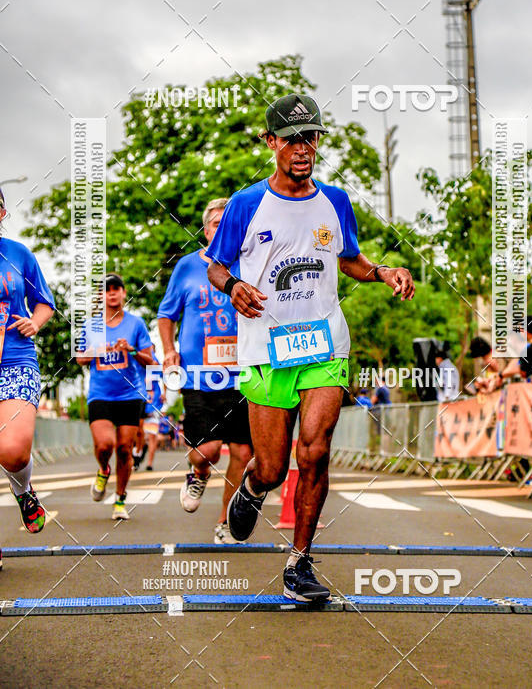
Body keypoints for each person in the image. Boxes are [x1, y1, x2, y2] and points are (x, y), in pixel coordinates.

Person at [206, 93, 415, 601]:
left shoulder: (335, 201)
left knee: (315, 451)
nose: (303, 148)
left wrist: (383, 271)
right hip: (266, 347)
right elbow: (216, 265)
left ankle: (299, 563)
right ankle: (254, 490)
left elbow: (350, 260)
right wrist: (234, 286)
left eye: (311, 138)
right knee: (274, 467)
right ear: (272, 143)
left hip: (324, 344)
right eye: (293, 139)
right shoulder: (245, 204)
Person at [157, 198, 253, 545]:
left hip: (245, 375)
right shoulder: (186, 267)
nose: (221, 227)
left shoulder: (250, 262)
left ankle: (225, 522)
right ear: (205, 229)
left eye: (228, 222)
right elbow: (166, 315)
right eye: (215, 223)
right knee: (207, 451)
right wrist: (169, 350)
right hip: (200, 376)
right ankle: (198, 473)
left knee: (243, 454)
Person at [0, 186, 55, 552]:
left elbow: (44, 303)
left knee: (13, 450)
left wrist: (35, 323)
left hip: (15, 360)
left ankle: (23, 489)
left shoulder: (18, 254)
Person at [76, 273, 153, 520]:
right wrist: (101, 349)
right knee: (104, 444)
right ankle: (103, 470)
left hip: (130, 394)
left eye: (116, 288)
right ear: (101, 295)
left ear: (123, 293)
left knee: (123, 448)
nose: (112, 293)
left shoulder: (136, 324)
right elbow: (80, 358)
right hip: (100, 394)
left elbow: (149, 359)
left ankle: (120, 500)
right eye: (107, 289)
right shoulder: (90, 326)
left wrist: (130, 349)